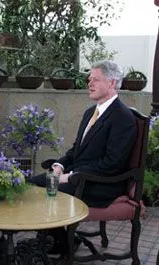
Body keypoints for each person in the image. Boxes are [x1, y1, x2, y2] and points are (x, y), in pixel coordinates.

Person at [29, 60, 137, 255]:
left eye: (96, 79)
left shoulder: (123, 117)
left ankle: (60, 244)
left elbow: (111, 164)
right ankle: (58, 240)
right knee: (32, 182)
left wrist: (71, 176)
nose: (90, 83)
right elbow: (75, 151)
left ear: (112, 83)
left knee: (45, 188)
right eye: (89, 79)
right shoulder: (90, 113)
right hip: (82, 178)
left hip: (102, 184)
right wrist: (60, 165)